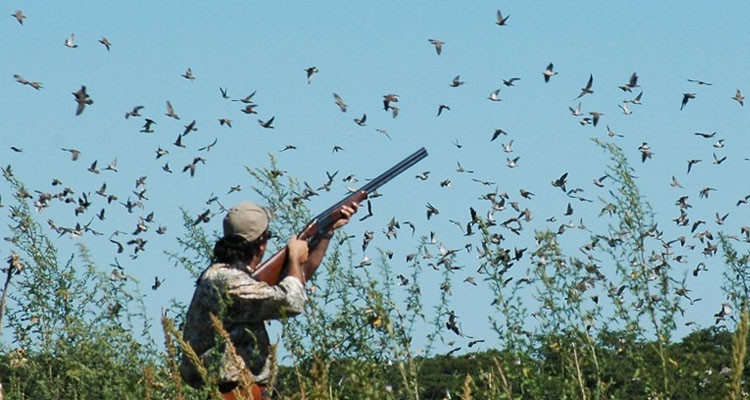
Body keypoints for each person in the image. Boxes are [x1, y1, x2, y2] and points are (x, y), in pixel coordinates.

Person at [180, 201, 357, 399]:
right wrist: (293, 259)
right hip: (235, 394)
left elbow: (299, 278)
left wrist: (325, 233)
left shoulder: (231, 276)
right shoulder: (228, 280)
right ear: (261, 242)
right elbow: (292, 301)